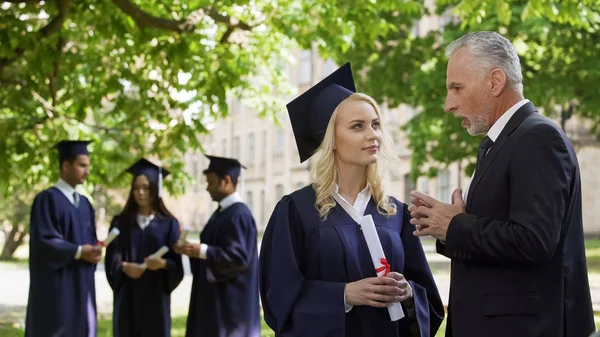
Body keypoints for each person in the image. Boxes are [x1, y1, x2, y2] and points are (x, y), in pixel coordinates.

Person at [410, 31, 595, 337]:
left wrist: (455, 226)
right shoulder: (500, 142)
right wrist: (449, 226)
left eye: (456, 88)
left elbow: (533, 241)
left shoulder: (537, 138)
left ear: (495, 82)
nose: (448, 104)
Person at [259, 63, 444, 337]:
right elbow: (279, 300)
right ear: (331, 139)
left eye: (376, 124)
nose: (373, 134)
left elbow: (428, 300)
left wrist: (407, 293)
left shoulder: (394, 212)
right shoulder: (296, 211)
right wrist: (344, 295)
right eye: (358, 126)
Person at [175, 155, 260, 337]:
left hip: (230, 308)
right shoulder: (221, 213)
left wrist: (203, 251)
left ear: (226, 181)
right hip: (214, 302)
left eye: (211, 183)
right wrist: (194, 251)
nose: (207, 188)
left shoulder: (239, 215)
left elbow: (238, 258)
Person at [25, 140, 101, 337]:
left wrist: (94, 252)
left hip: (82, 285)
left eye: (88, 166)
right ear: (66, 166)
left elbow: (91, 241)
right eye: (82, 165)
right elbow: (45, 242)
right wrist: (78, 251)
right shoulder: (47, 199)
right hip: (57, 287)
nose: (87, 171)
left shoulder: (85, 204)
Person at [105, 158, 184, 337]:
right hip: (127, 300)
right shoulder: (120, 223)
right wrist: (124, 267)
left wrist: (163, 264)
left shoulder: (169, 224)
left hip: (155, 300)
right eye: (136, 187)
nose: (140, 193)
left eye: (146, 188)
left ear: (155, 189)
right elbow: (111, 261)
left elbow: (177, 266)